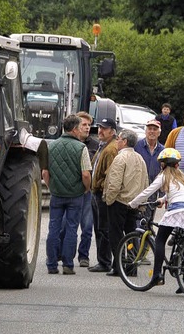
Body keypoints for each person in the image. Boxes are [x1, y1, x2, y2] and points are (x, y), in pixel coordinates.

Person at [129, 148, 184, 287]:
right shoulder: (181, 176)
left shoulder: (163, 176)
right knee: (183, 241)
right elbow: (178, 192)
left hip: (176, 210)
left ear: (163, 164)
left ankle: (157, 275)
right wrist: (163, 199)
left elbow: (148, 191)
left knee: (160, 240)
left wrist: (133, 203)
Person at [45, 115, 92, 275]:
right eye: (80, 127)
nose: (81, 130)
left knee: (53, 227)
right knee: (72, 228)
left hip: (57, 193)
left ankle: (51, 264)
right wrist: (86, 188)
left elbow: (45, 172)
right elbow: (86, 174)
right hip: (75, 194)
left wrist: (51, 186)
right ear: (74, 129)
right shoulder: (81, 148)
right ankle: (67, 264)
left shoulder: (51, 146)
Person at [104, 129, 148, 276]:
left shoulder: (120, 158)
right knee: (131, 233)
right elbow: (145, 182)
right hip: (134, 202)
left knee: (116, 234)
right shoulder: (140, 158)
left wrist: (109, 199)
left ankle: (118, 266)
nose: (117, 141)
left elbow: (115, 183)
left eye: (119, 139)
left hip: (119, 201)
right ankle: (131, 266)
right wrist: (142, 201)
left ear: (125, 142)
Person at [58, 111, 97, 267]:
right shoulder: (66, 143)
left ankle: (83, 256)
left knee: (87, 226)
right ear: (76, 127)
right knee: (64, 224)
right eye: (84, 125)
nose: (87, 128)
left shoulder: (95, 145)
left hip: (87, 192)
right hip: (70, 190)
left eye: (89, 125)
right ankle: (64, 253)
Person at [88, 117, 119, 273]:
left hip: (102, 194)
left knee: (104, 229)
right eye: (99, 127)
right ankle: (104, 261)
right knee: (101, 228)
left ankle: (105, 261)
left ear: (112, 132)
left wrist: (100, 187)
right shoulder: (104, 146)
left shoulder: (111, 149)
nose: (100, 130)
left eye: (104, 128)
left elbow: (111, 174)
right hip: (97, 193)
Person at [134, 119, 165, 219]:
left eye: (155, 129)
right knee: (135, 221)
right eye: (149, 129)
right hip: (137, 189)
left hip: (153, 192)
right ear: (145, 131)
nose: (152, 131)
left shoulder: (163, 150)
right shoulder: (137, 146)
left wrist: (162, 195)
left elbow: (165, 173)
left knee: (148, 221)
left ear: (159, 132)